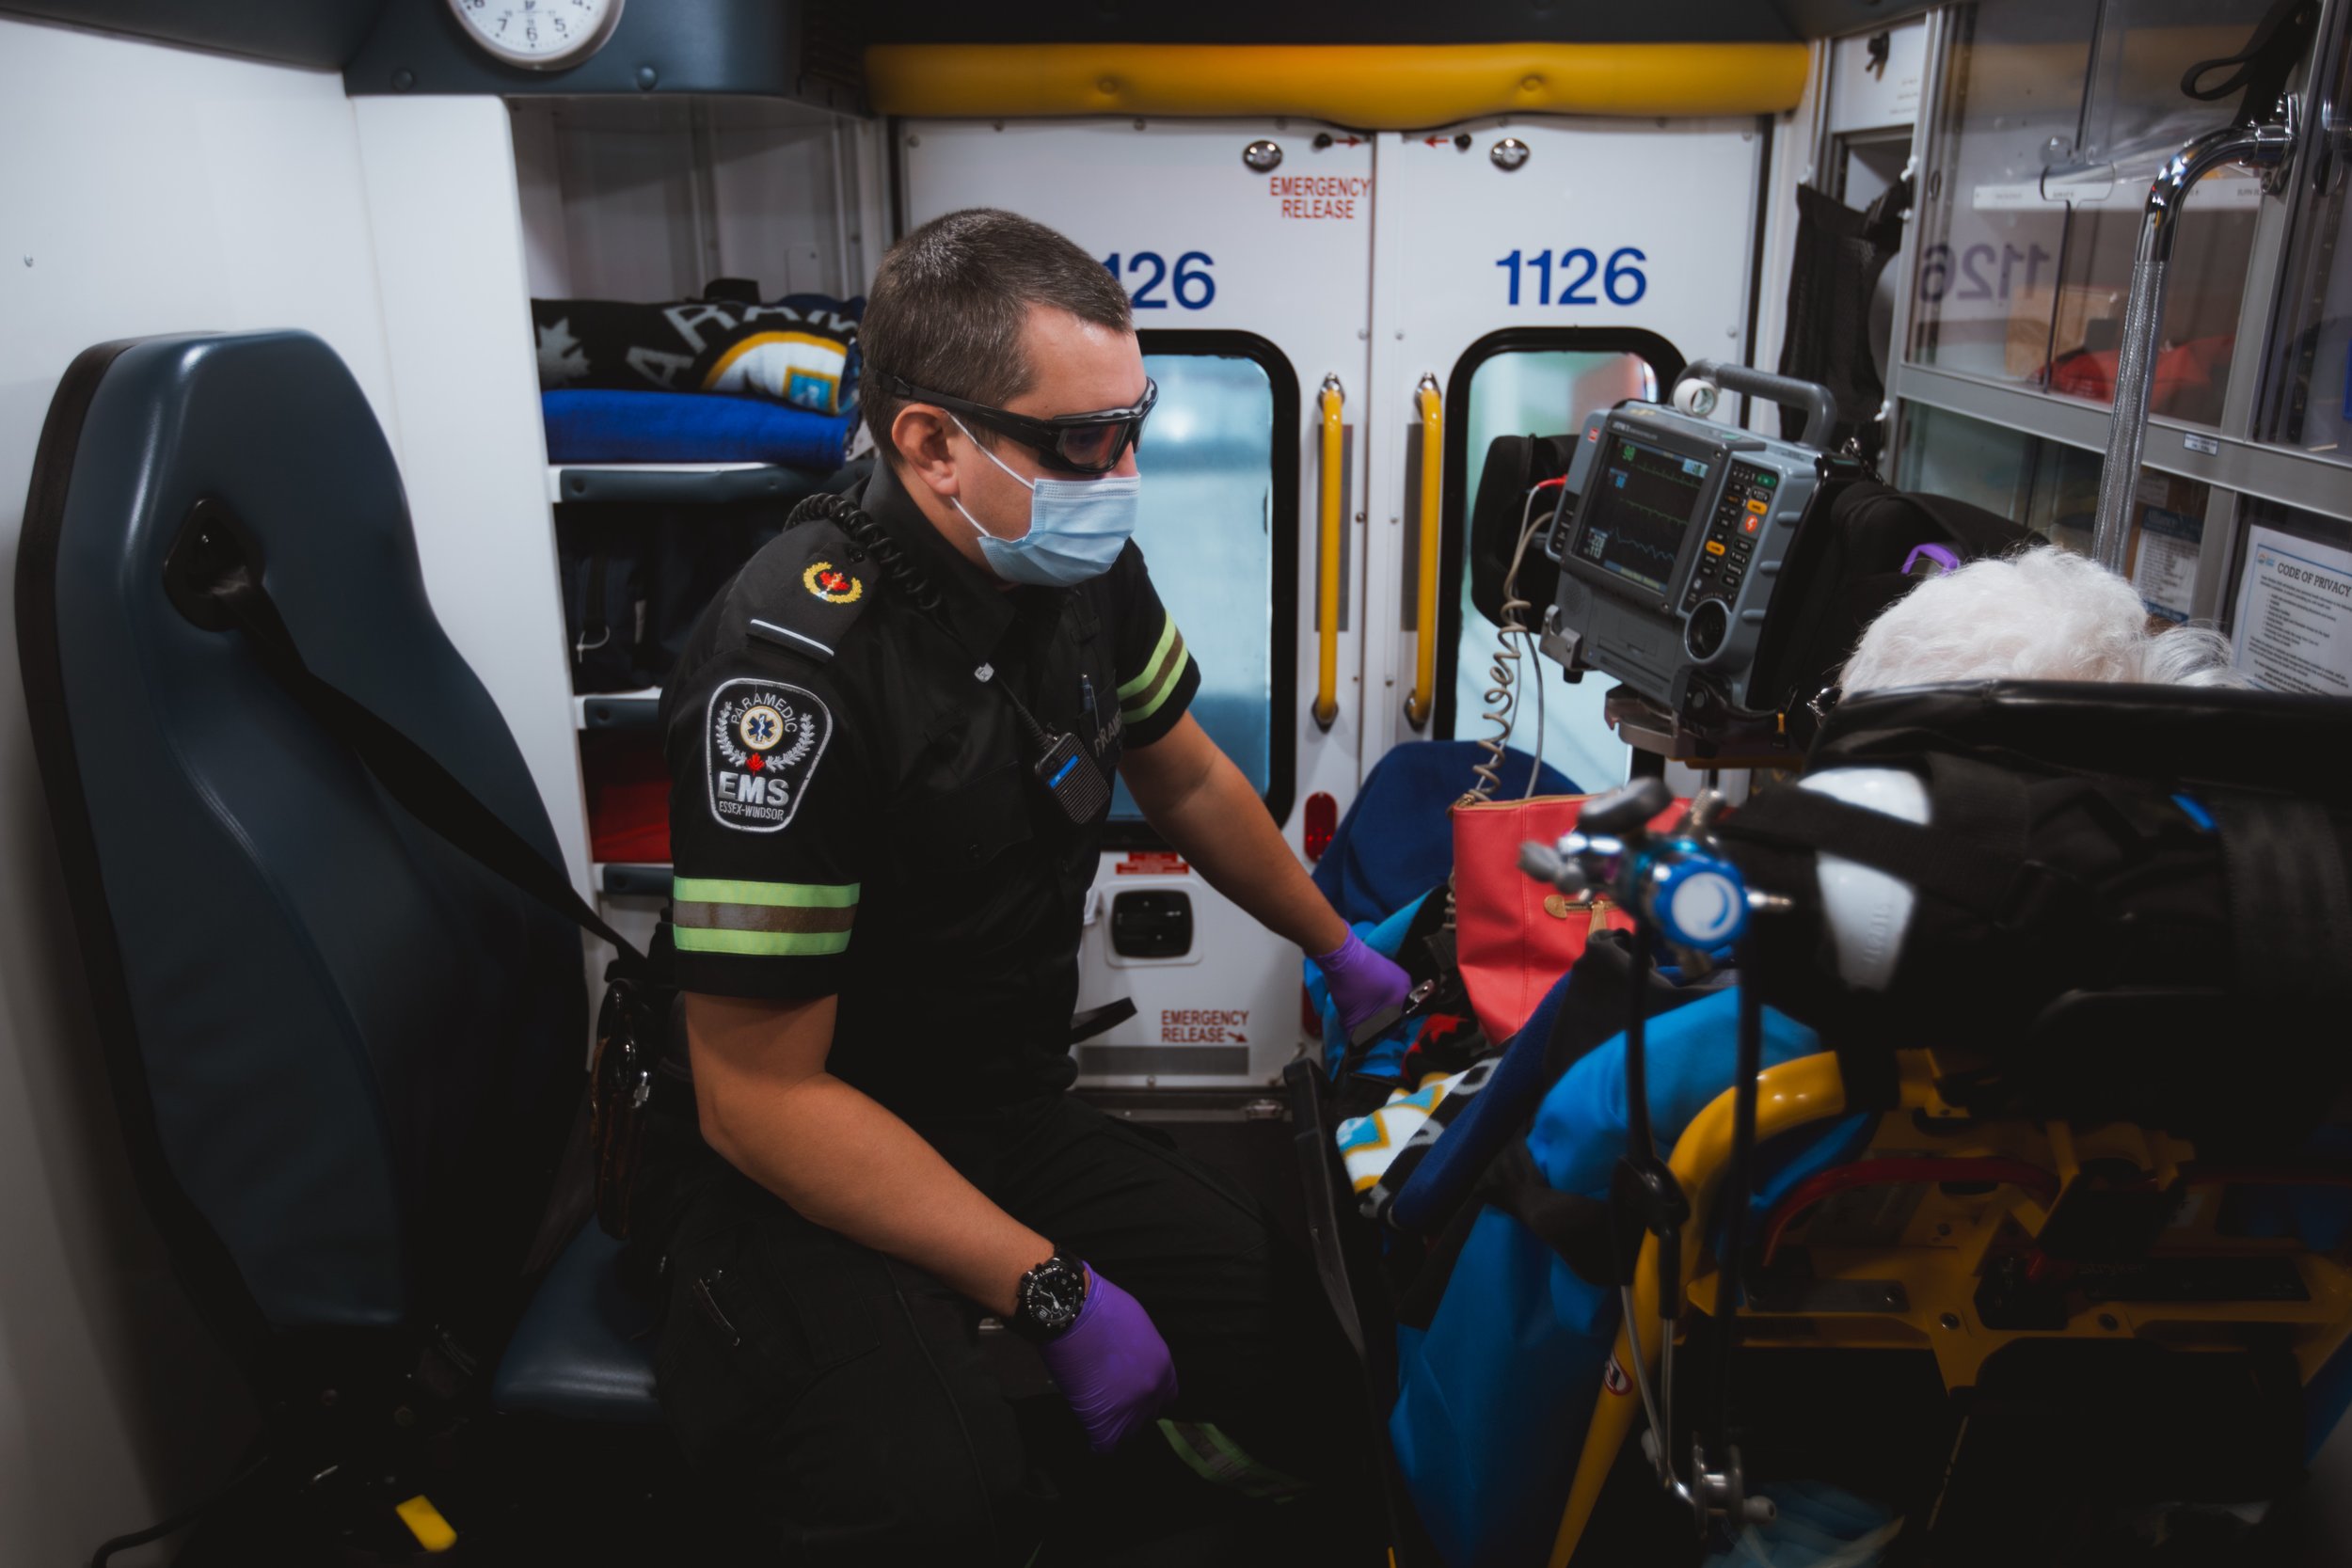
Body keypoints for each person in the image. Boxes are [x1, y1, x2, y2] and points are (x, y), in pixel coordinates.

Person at [643, 207, 1409, 1563]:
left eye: (1134, 422)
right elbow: (758, 1102)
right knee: (937, 1495)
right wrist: (1053, 1292)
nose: (1118, 470)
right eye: (1078, 440)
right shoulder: (791, 673)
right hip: (798, 1158)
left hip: (994, 1105)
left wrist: (1337, 948)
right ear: (932, 442)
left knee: (1304, 1339)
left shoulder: (1073, 568)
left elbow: (1185, 779)